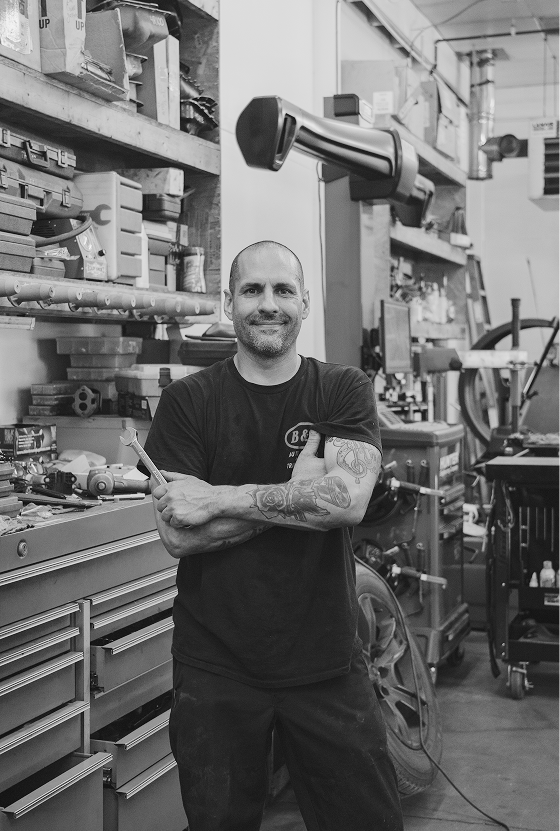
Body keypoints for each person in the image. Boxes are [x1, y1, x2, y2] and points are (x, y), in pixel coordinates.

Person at [144, 240, 404, 831]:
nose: (269, 304)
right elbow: (179, 539)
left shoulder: (341, 389)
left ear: (305, 302)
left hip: (327, 658)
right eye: (253, 290)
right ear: (229, 302)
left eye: (283, 290)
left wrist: (216, 498)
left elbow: (347, 503)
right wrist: (295, 497)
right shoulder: (187, 402)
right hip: (216, 666)